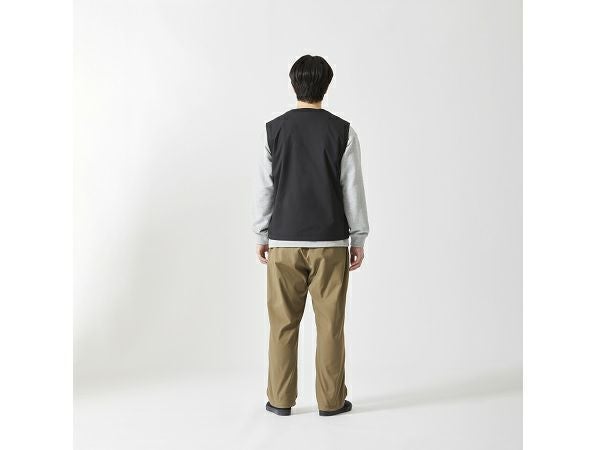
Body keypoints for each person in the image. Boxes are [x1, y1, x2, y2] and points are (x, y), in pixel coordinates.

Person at [252, 54, 369, 417]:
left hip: (283, 243)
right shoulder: (343, 131)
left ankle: (280, 400)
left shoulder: (273, 130)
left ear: (293, 84)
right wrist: (358, 238)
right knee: (330, 326)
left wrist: (261, 233)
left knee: (282, 325)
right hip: (330, 244)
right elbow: (352, 190)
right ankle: (331, 402)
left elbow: (265, 188)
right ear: (326, 85)